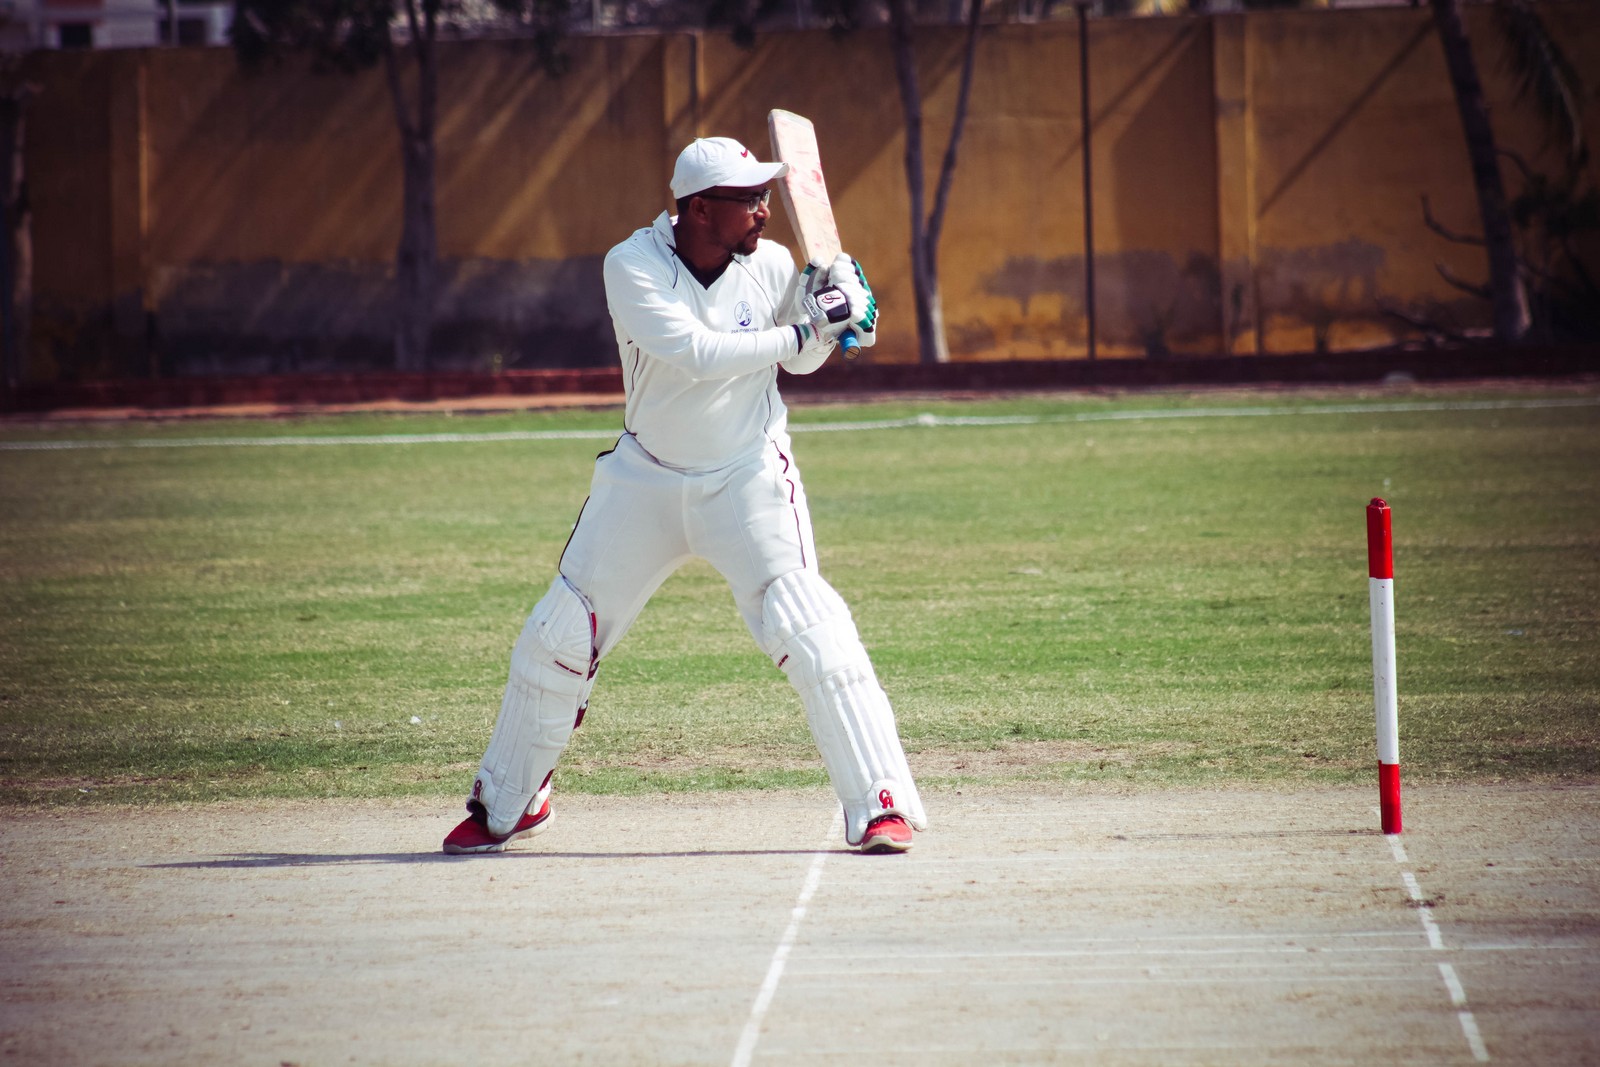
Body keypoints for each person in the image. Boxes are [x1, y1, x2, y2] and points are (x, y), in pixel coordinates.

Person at [443, 136, 927, 855]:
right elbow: (698, 353)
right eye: (749, 199)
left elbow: (800, 359)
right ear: (699, 208)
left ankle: (880, 803)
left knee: (809, 622)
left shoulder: (771, 263)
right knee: (559, 634)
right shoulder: (632, 264)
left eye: (767, 195)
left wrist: (842, 318)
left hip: (747, 476)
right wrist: (808, 322)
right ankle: (509, 802)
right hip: (645, 479)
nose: (766, 211)